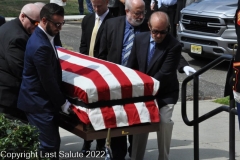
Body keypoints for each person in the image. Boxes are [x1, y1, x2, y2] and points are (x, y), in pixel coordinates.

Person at [17, 3, 70, 159]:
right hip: (39, 104)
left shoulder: (44, 36)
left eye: (62, 23)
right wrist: (63, 103)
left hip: (38, 101)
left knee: (50, 144)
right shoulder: (41, 45)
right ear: (44, 20)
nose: (60, 28)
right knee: (49, 147)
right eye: (57, 24)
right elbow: (48, 81)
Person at [127, 11, 181, 160]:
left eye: (163, 32)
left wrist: (144, 89)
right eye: (155, 31)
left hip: (164, 93)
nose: (158, 35)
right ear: (149, 26)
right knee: (142, 122)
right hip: (143, 92)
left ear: (168, 28)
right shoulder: (139, 39)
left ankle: (163, 157)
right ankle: (136, 157)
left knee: (164, 122)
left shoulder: (174, 45)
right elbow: (132, 66)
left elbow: (164, 74)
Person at [99, 0, 148, 159]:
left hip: (138, 85)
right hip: (115, 84)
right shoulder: (112, 24)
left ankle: (133, 152)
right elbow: (103, 55)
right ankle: (117, 153)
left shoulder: (149, 27)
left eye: (142, 12)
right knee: (118, 121)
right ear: (127, 11)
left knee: (135, 122)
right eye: (136, 13)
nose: (140, 16)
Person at [79, 0, 113, 154]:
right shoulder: (87, 20)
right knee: (87, 110)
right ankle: (87, 141)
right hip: (88, 73)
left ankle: (101, 143)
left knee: (101, 111)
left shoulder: (114, 21)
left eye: (99, 5)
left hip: (104, 74)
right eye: (94, 5)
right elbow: (83, 45)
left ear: (107, 2)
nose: (96, 8)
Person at [0, 3, 42, 122]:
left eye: (39, 23)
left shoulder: (8, 26)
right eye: (34, 23)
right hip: (9, 98)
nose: (36, 26)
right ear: (23, 16)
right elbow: (23, 71)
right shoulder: (18, 38)